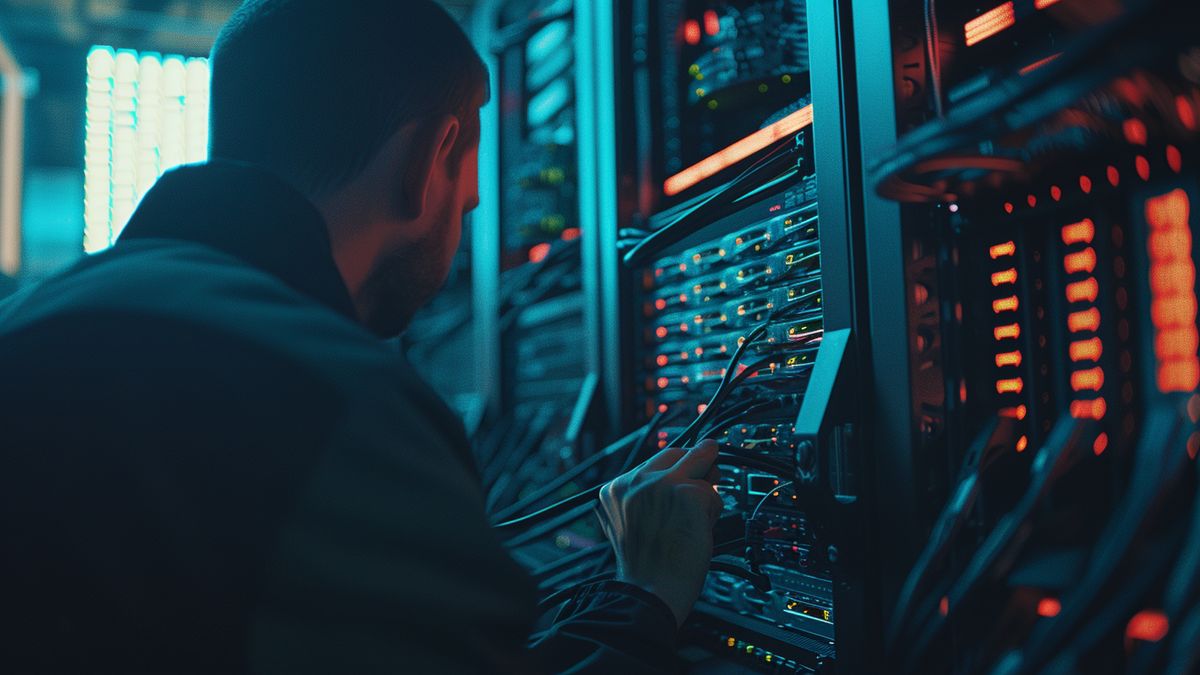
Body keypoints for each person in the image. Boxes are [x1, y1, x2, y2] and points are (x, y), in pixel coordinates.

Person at [0, 1, 723, 672]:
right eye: (466, 203)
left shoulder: (31, 322)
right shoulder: (344, 407)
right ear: (426, 164)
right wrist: (648, 597)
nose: (462, 222)